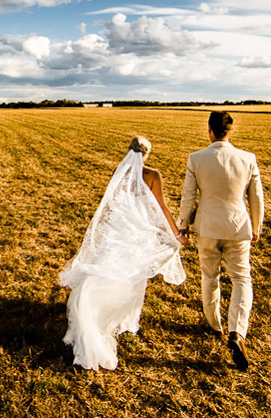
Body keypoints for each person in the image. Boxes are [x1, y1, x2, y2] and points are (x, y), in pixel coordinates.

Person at [59, 136, 186, 370]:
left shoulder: (120, 170)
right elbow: (161, 207)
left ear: (129, 151)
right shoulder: (153, 175)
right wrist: (176, 234)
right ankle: (119, 318)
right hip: (138, 233)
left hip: (117, 229)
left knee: (109, 270)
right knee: (131, 277)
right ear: (147, 154)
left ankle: (97, 311)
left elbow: (110, 204)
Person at [176, 111, 264, 371]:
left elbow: (188, 197)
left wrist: (183, 226)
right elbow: (256, 197)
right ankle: (237, 332)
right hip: (238, 228)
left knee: (209, 276)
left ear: (209, 130)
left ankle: (215, 325)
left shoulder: (196, 159)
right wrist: (256, 227)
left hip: (207, 228)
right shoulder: (248, 159)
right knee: (241, 278)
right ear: (230, 130)